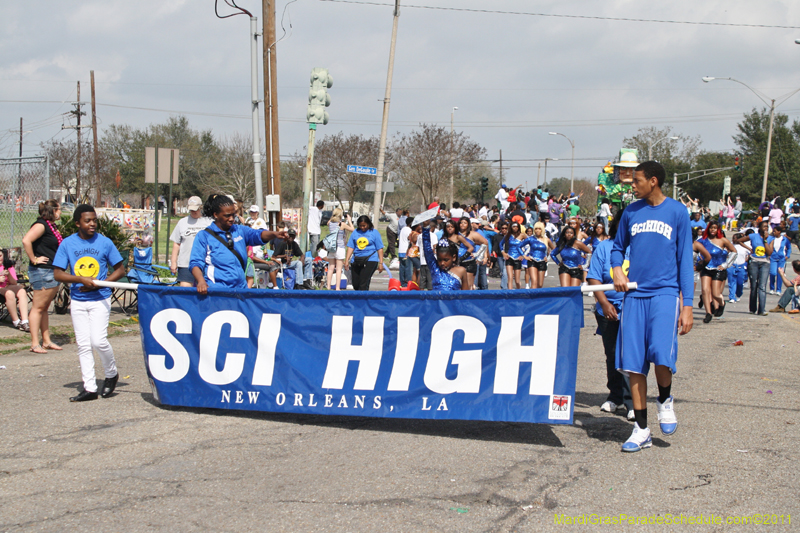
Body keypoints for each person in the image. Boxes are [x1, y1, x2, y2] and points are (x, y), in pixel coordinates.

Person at [611, 161, 694, 453]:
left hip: (665, 294)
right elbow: (617, 247)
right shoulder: (631, 212)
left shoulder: (677, 212)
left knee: (661, 354)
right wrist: (617, 270)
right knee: (634, 365)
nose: (632, 185)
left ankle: (665, 399)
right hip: (634, 295)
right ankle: (641, 430)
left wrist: (688, 305)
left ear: (654, 181)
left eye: (637, 181)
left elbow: (686, 260)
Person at [53, 205, 125, 402]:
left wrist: (101, 284)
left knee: (98, 341)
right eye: (87, 221)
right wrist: (80, 280)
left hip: (100, 298)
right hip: (78, 301)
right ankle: (90, 388)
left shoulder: (105, 242)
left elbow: (120, 270)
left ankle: (111, 374)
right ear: (78, 223)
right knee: (83, 345)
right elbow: (58, 273)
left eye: (94, 220)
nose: (92, 224)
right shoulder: (68, 244)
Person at [587, 207, 634, 421]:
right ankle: (615, 396)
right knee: (613, 354)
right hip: (608, 310)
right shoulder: (604, 247)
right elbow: (594, 277)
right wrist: (604, 303)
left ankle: (633, 400)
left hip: (635, 309)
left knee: (633, 355)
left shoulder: (642, 248)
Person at [189, 194, 286, 293]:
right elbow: (195, 263)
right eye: (227, 215)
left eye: (233, 214)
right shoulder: (204, 236)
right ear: (215, 215)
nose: (231, 219)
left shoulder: (240, 230)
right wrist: (201, 281)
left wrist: (274, 234)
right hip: (217, 291)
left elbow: (258, 235)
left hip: (240, 290)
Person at [22, 199, 63, 353]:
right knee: (38, 308)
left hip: (51, 270)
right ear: (52, 210)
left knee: (44, 307)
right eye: (58, 209)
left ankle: (46, 341)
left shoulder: (51, 226)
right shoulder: (41, 225)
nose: (60, 212)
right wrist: (34, 259)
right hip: (42, 271)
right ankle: (34, 343)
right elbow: (26, 240)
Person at [697, 220, 737, 323]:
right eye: (711, 228)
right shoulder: (702, 240)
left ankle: (722, 304)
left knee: (715, 293)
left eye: (715, 228)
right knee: (705, 290)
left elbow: (734, 252)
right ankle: (708, 313)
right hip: (706, 268)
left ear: (718, 229)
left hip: (718, 269)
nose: (712, 230)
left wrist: (726, 264)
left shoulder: (723, 240)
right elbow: (695, 250)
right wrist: (698, 263)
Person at [169, 196, 212, 287]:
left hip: (204, 263)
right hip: (186, 263)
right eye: (191, 210)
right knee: (185, 291)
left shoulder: (209, 222)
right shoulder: (182, 222)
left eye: (196, 209)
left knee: (204, 291)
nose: (193, 212)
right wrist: (173, 262)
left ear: (201, 207)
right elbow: (176, 243)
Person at [734, 222, 773, 316]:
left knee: (762, 286)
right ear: (759, 227)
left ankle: (762, 309)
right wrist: (749, 248)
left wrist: (765, 240)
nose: (765, 228)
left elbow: (769, 252)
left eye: (767, 227)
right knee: (754, 286)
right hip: (754, 262)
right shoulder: (752, 236)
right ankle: (752, 308)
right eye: (763, 226)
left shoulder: (771, 238)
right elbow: (738, 241)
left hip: (765, 263)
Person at [422, 221, 468, 290]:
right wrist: (426, 227)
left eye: (446, 260)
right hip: (436, 301)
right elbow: (427, 249)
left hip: (455, 301)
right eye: (439, 260)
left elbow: (465, 294)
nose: (442, 263)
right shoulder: (435, 268)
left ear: (454, 257)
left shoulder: (461, 271)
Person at [344, 215, 385, 291]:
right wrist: (347, 260)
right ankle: (360, 298)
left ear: (368, 224)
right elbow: (350, 247)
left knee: (363, 283)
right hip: (356, 259)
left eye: (364, 225)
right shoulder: (355, 232)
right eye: (360, 226)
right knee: (356, 284)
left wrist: (381, 263)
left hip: (370, 259)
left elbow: (380, 248)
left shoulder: (374, 232)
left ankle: (363, 301)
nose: (362, 227)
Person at [0, 249, 29, 332]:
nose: (0, 258)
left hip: (7, 286)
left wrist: (8, 275)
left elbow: (14, 283)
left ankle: (25, 321)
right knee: (9, 293)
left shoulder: (7, 265)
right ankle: (16, 321)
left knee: (22, 291)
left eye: (1, 256)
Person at [326, 209, 354, 291]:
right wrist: (349, 220)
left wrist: (333, 216)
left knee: (331, 267)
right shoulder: (342, 224)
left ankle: (328, 286)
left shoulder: (329, 223)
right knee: (338, 269)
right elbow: (352, 229)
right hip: (340, 247)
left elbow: (329, 221)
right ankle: (337, 287)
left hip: (331, 247)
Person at [526, 222, 555, 289]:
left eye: (539, 229)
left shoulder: (546, 240)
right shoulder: (531, 238)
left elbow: (554, 250)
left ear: (542, 230)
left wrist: (548, 258)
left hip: (542, 262)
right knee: (534, 282)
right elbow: (519, 246)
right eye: (536, 229)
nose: (537, 230)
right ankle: (532, 298)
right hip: (532, 261)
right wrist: (525, 256)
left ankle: (538, 298)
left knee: (540, 284)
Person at [767, 224, 792, 294]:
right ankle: (772, 288)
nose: (774, 232)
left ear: (779, 232)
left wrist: (787, 255)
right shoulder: (771, 238)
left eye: (775, 231)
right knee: (772, 273)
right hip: (773, 258)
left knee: (780, 274)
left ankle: (778, 290)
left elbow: (789, 248)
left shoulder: (784, 239)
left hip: (781, 259)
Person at [727, 232, 750, 303]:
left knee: (740, 283)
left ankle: (738, 294)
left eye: (734, 238)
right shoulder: (730, 246)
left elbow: (749, 254)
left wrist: (746, 259)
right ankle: (732, 297)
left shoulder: (744, 246)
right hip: (732, 266)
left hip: (741, 266)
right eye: (733, 238)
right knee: (731, 282)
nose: (733, 240)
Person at [417, 221, 439, 290]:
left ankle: (421, 293)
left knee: (422, 278)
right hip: (431, 261)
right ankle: (430, 294)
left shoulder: (420, 236)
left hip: (422, 260)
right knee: (430, 279)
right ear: (431, 228)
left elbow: (418, 247)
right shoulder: (433, 235)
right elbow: (435, 246)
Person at [398, 216, 413, 287]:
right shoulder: (409, 230)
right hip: (406, 251)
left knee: (402, 268)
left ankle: (402, 283)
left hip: (400, 250)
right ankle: (407, 284)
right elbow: (410, 238)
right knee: (408, 269)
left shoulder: (403, 229)